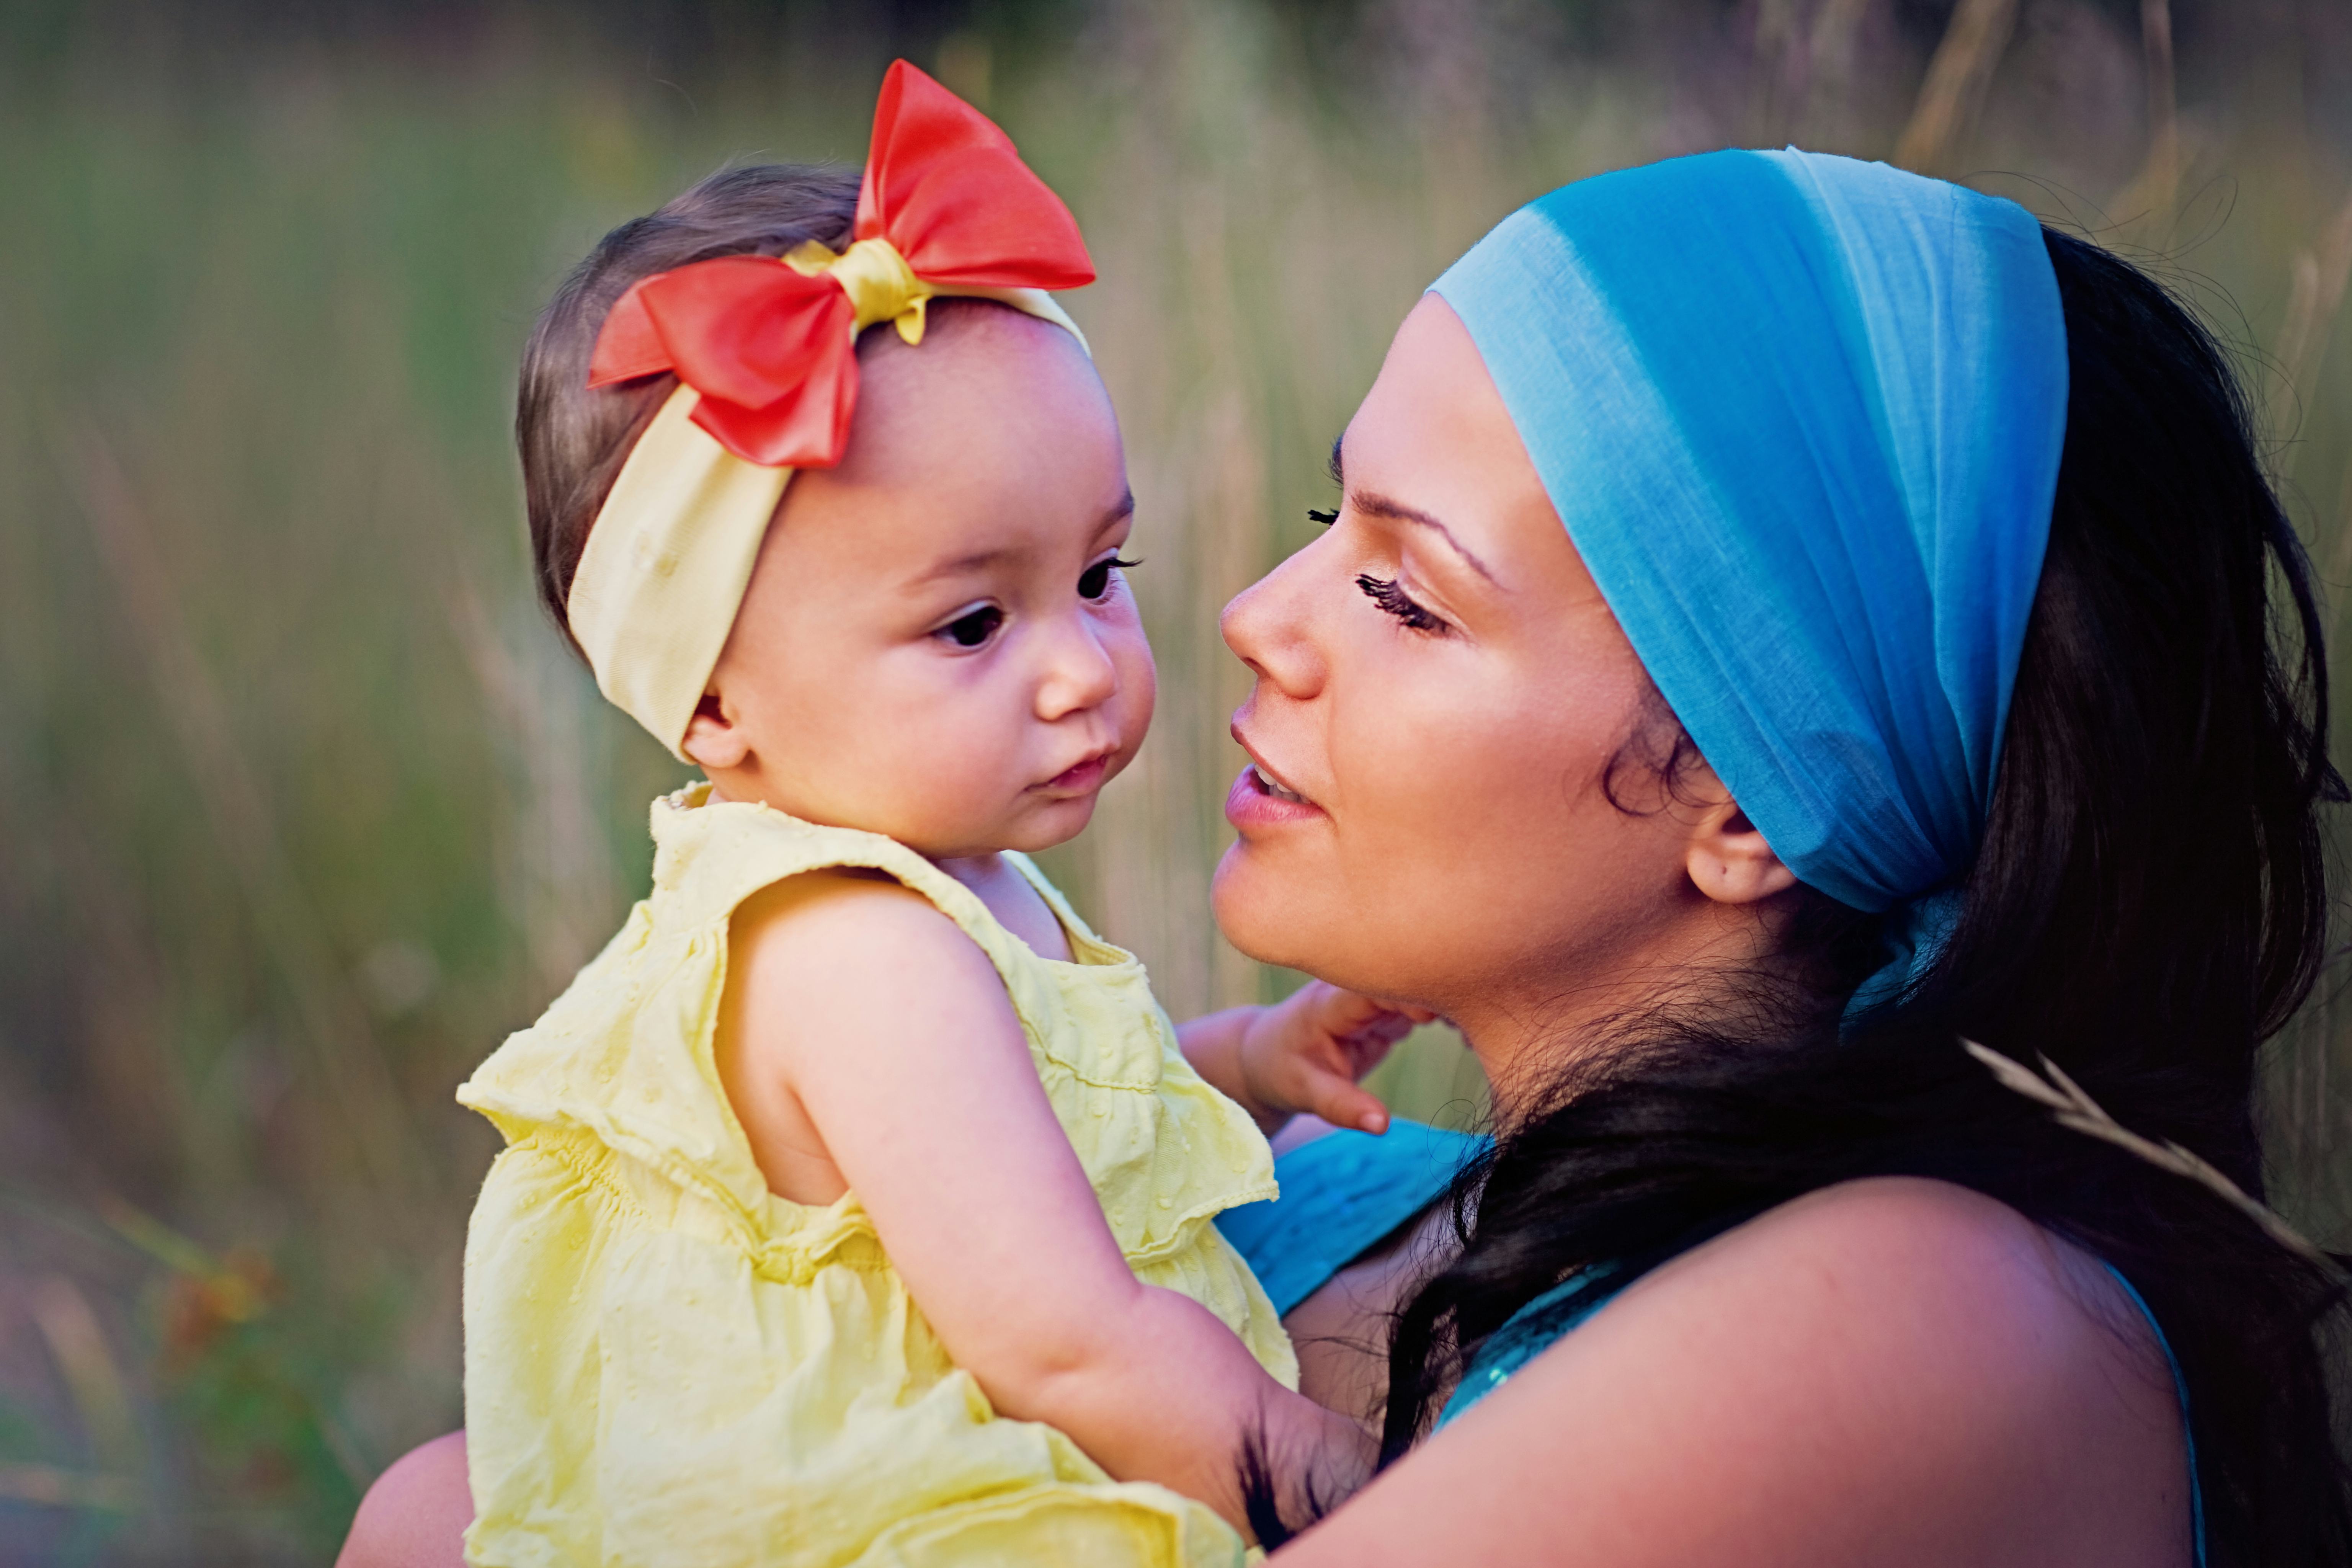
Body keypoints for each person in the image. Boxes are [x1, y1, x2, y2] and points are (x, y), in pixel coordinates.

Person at [346, 148, 2352, 1566]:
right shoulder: (1329, 1199)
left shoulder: (1937, 1309)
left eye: (1406, 589)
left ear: (1747, 799)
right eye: (1330, 522)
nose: (1249, 619)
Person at [441, 62, 1413, 1568]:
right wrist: (1386, 1500)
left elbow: (1053, 1138)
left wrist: (1250, 1060)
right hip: (903, 1515)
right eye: (973, 624)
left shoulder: (915, 875)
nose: (1082, 670)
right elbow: (1074, 1344)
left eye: (1098, 577)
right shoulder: (855, 947)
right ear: (714, 703)